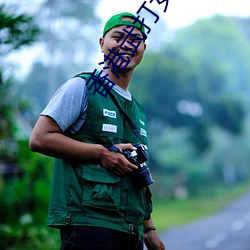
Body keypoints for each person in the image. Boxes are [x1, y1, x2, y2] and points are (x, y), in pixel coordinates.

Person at [29, 12, 165, 250]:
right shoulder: (81, 87)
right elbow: (40, 138)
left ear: (143, 48)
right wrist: (102, 153)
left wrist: (149, 228)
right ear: (102, 44)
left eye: (134, 40)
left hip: (130, 229)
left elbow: (137, 170)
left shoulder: (138, 108)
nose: (126, 45)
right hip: (89, 225)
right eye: (118, 37)